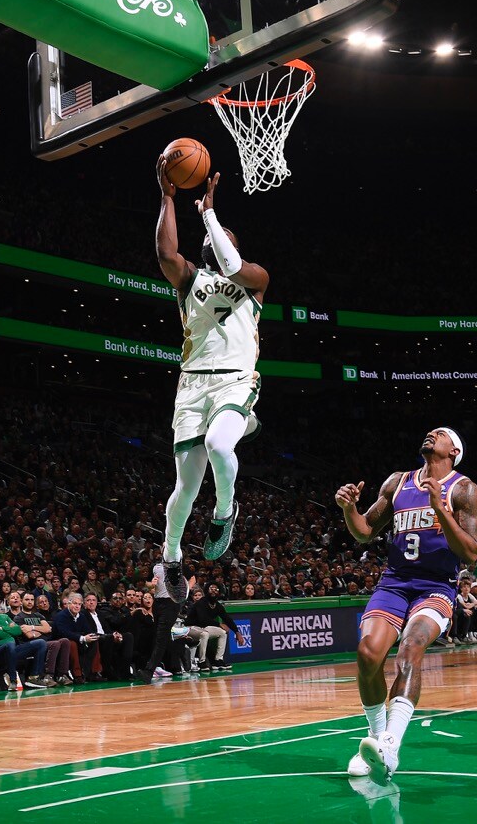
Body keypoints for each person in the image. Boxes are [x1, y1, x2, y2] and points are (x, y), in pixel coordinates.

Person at [336, 426, 477, 779]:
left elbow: (472, 553)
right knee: (368, 653)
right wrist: (349, 509)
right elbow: (365, 532)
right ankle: (376, 740)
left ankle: (391, 745)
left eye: (441, 434)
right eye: (431, 432)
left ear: (454, 452)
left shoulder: (464, 489)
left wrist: (439, 509)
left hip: (436, 586)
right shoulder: (398, 482)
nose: (432, 435)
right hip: (395, 583)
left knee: (411, 646)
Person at [154, 158, 266, 594]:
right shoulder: (189, 279)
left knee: (220, 443)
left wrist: (208, 213)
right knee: (184, 487)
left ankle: (224, 512)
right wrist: (167, 195)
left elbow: (234, 263)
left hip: (235, 379)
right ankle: (172, 555)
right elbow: (166, 254)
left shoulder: (254, 280)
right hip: (192, 385)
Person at [0, 590, 48, 690]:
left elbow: (18, 630)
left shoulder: (4, 616)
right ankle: (13, 680)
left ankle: (34, 677)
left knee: (41, 643)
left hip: (11, 650)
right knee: (10, 643)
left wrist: (3, 629)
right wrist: (9, 632)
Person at [185, 583, 244, 672]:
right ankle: (202, 661)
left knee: (222, 633)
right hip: (190, 628)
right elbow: (203, 619)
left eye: (216, 589)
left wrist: (237, 632)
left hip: (203, 628)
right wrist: (219, 624)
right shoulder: (201, 602)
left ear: (219, 592)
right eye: (211, 589)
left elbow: (227, 618)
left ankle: (218, 660)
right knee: (204, 634)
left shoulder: (217, 605)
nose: (213, 591)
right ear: (206, 591)